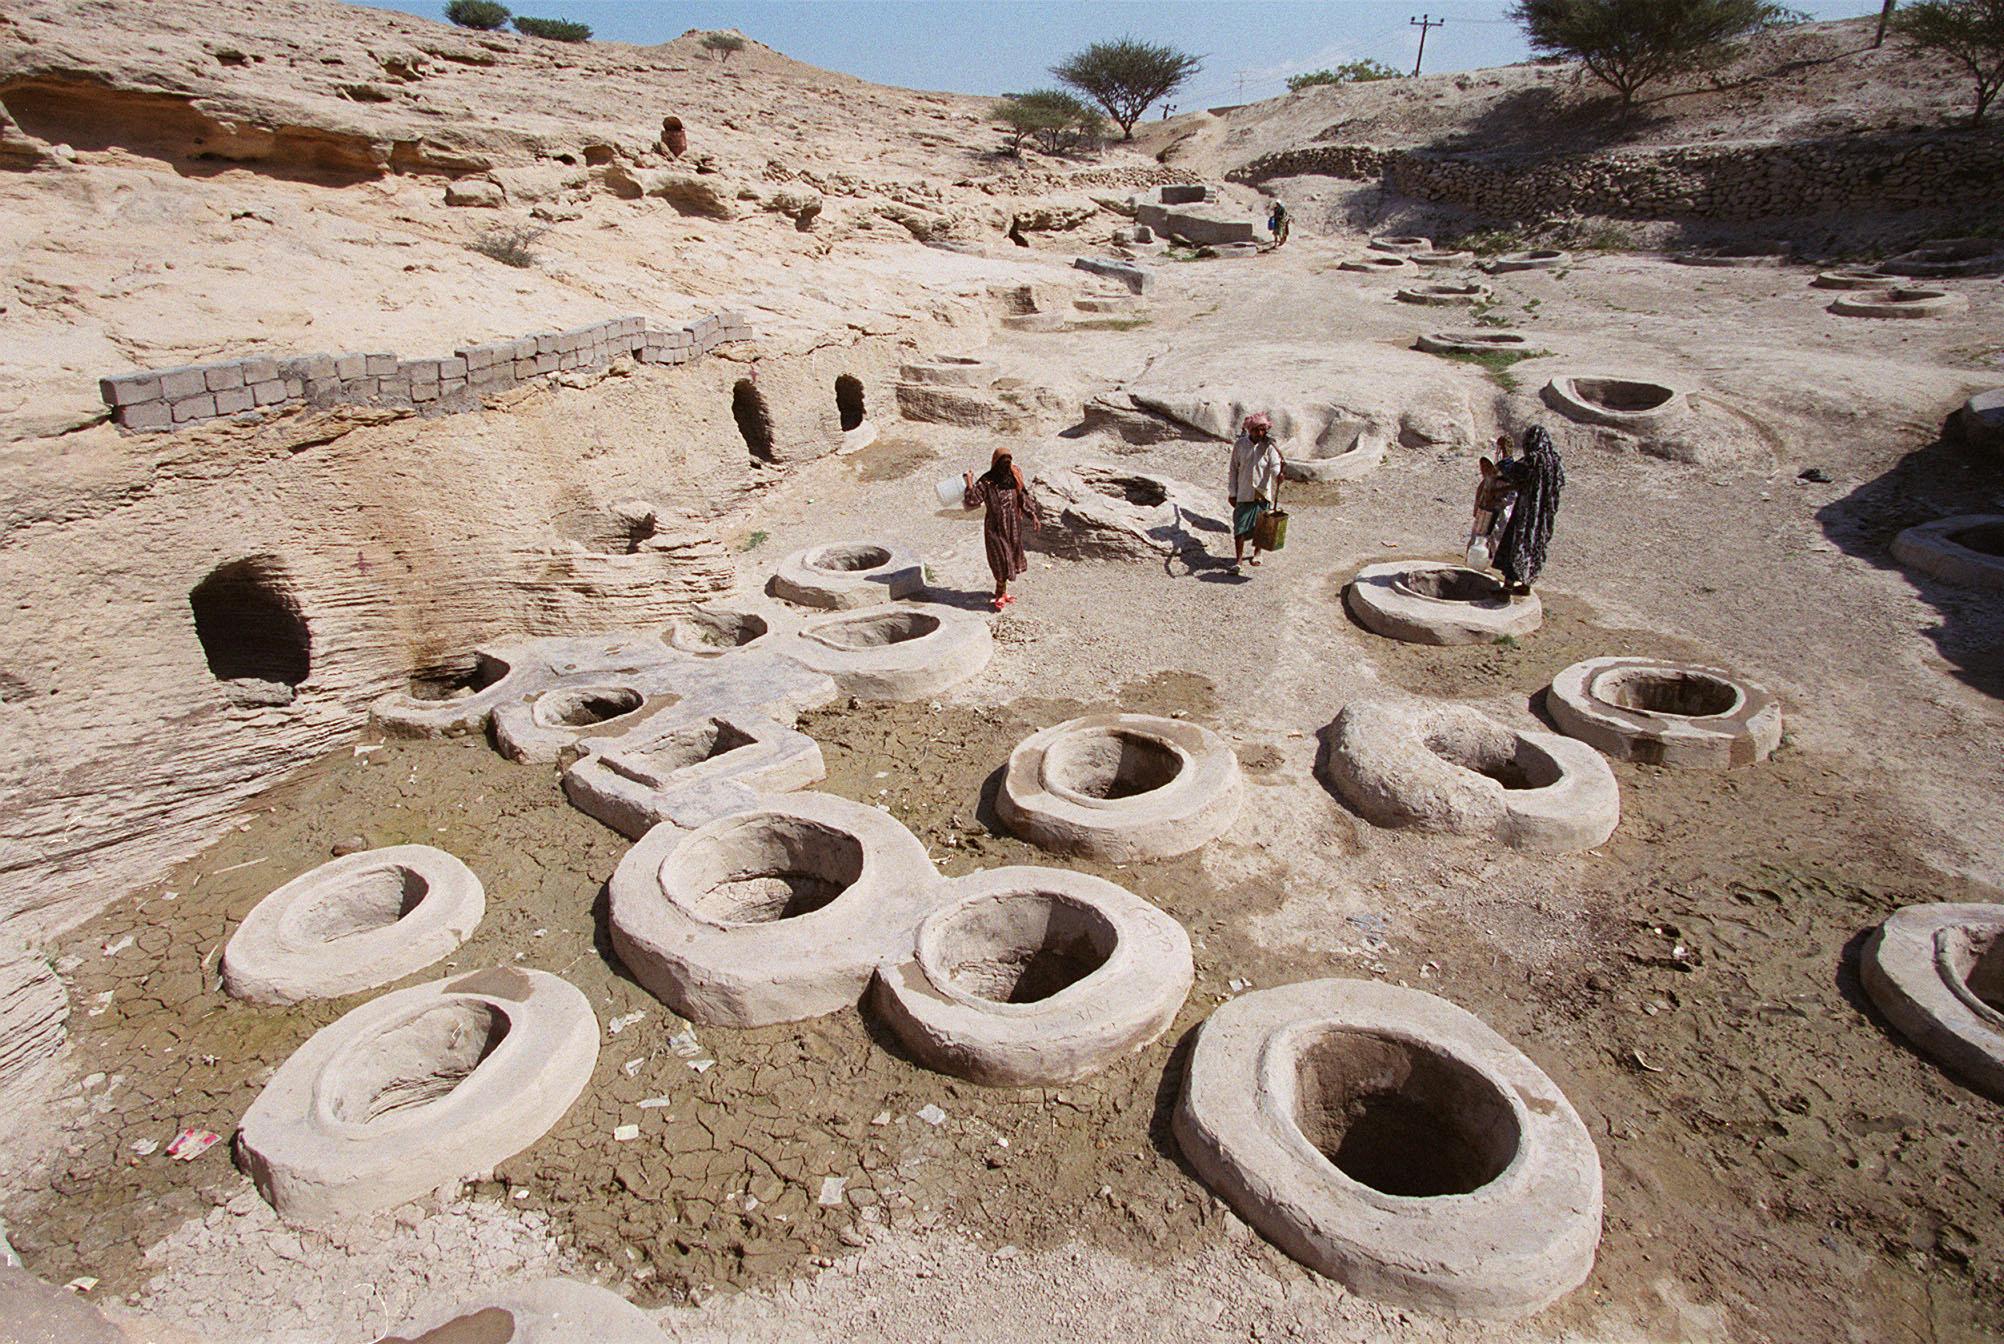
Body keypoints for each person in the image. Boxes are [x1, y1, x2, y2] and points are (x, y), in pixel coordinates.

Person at [1492, 425, 1564, 595]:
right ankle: (1526, 585)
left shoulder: (1534, 460)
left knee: (1517, 543)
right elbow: (1560, 482)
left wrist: (1507, 454)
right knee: (1536, 546)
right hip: (1545, 515)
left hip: (1527, 512)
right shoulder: (1555, 461)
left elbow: (1513, 472)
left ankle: (1508, 586)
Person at [962, 448, 1038, 610]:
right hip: (995, 528)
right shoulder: (987, 481)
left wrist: (1032, 515)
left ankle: (1003, 593)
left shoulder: (1014, 477)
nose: (1006, 464)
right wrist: (969, 482)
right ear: (995, 462)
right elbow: (973, 500)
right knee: (1000, 558)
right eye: (1003, 461)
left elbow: (1022, 496)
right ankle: (999, 593)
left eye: (1008, 460)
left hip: (1013, 526)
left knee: (1010, 555)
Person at [1229, 413, 1285, 569]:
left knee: (1261, 525)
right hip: (1244, 492)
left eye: (1263, 430)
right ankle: (1238, 560)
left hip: (1261, 492)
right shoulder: (1240, 445)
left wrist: (1277, 475)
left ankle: (1257, 553)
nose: (1260, 434)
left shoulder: (1269, 447)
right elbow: (1233, 469)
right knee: (1239, 526)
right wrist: (1232, 492)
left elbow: (1275, 466)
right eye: (1257, 430)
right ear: (1250, 430)